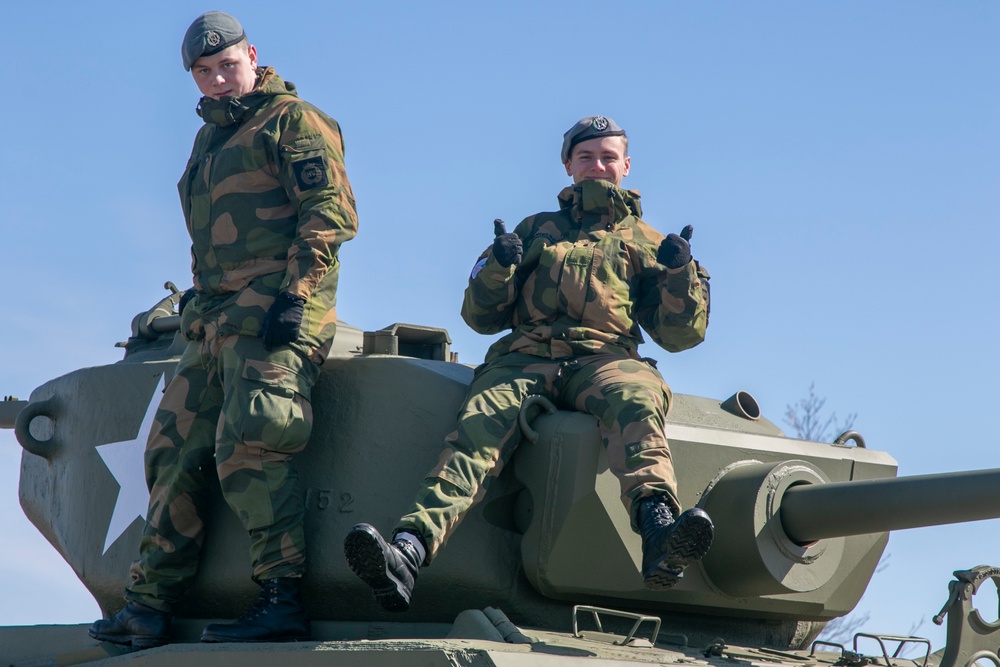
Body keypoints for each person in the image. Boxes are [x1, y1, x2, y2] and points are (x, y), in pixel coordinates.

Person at [344, 115, 712, 613]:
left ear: (626, 165)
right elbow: (479, 316)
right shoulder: (535, 230)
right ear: (568, 165)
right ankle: (407, 552)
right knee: (476, 430)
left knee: (636, 402)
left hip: (605, 358)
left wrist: (678, 274)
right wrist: (497, 267)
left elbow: (681, 335)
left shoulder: (651, 242)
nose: (598, 166)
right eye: (586, 157)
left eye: (608, 157)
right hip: (525, 359)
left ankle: (660, 533)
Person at [89, 11, 357, 648]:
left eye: (226, 65)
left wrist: (295, 297)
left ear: (252, 56)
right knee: (171, 451)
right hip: (213, 321)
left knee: (254, 445)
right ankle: (149, 604)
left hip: (275, 310)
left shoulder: (294, 121)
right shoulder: (210, 140)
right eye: (204, 72)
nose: (217, 79)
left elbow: (330, 214)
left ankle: (280, 599)